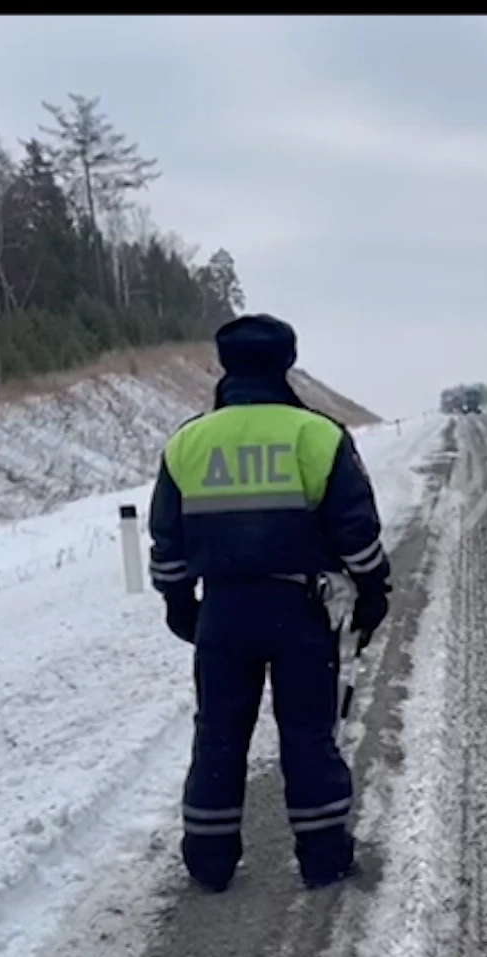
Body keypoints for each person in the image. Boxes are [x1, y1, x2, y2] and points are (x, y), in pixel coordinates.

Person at [145, 314, 391, 892]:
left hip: (223, 612)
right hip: (298, 609)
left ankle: (209, 863)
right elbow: (356, 529)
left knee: (219, 734)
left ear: (225, 365)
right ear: (287, 364)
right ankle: (324, 858)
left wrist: (179, 601)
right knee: (308, 733)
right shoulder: (318, 435)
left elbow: (168, 539)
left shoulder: (188, 441)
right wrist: (374, 589)